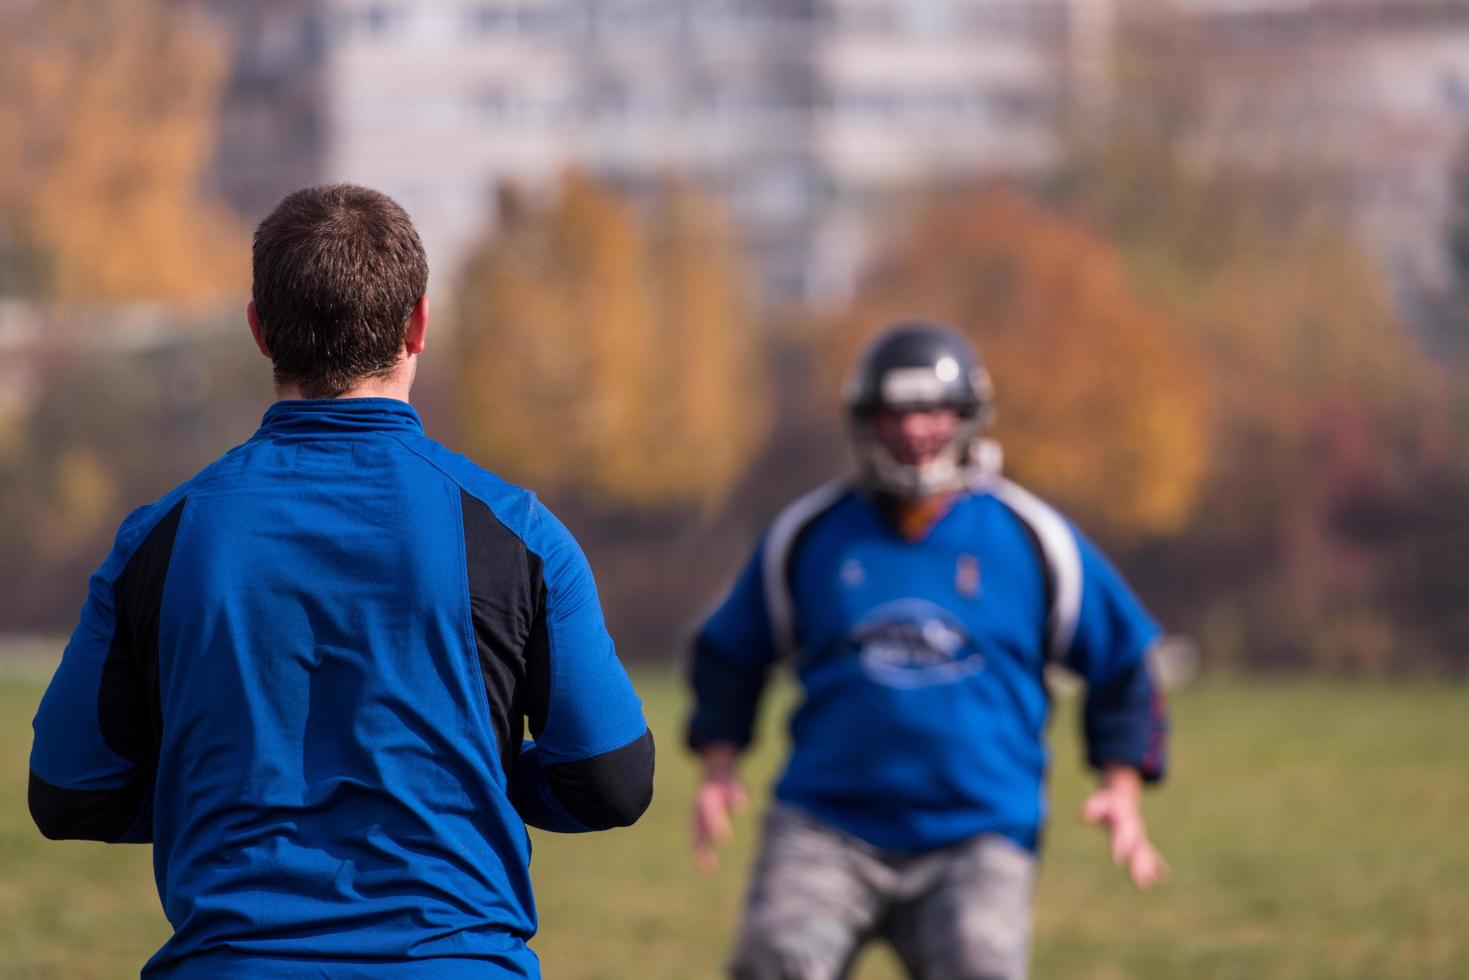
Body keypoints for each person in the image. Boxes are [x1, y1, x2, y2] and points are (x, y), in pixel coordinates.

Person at [29, 183, 654, 978]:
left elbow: (68, 790)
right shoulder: (519, 534)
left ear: (260, 332)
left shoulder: (160, 537)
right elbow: (611, 780)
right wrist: (471, 778)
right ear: (419, 323)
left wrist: (221, 793)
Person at [687, 320, 1169, 980]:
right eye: (895, 413)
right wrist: (718, 765)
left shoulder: (1030, 538)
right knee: (776, 962)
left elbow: (1123, 656)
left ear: (967, 417)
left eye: (932, 411)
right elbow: (728, 649)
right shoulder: (809, 536)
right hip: (827, 825)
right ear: (863, 421)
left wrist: (1120, 785)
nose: (914, 432)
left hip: (977, 834)